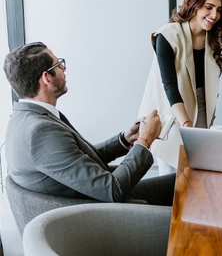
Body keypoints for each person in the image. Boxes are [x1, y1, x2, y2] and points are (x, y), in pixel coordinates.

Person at [3, 42, 175, 205]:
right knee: (187, 182)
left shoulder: (23, 118)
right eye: (59, 65)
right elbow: (112, 190)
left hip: (94, 198)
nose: (64, 68)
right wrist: (144, 140)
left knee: (183, 179)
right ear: (46, 77)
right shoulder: (41, 132)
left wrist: (126, 137)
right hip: (103, 212)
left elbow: (80, 158)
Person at [138, 0, 222, 173]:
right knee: (170, 169)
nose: (214, 15)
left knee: (195, 166)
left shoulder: (215, 33)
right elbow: (170, 86)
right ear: (194, 5)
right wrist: (185, 124)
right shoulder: (167, 35)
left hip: (199, 102)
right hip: (168, 105)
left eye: (218, 10)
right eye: (208, 8)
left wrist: (216, 62)